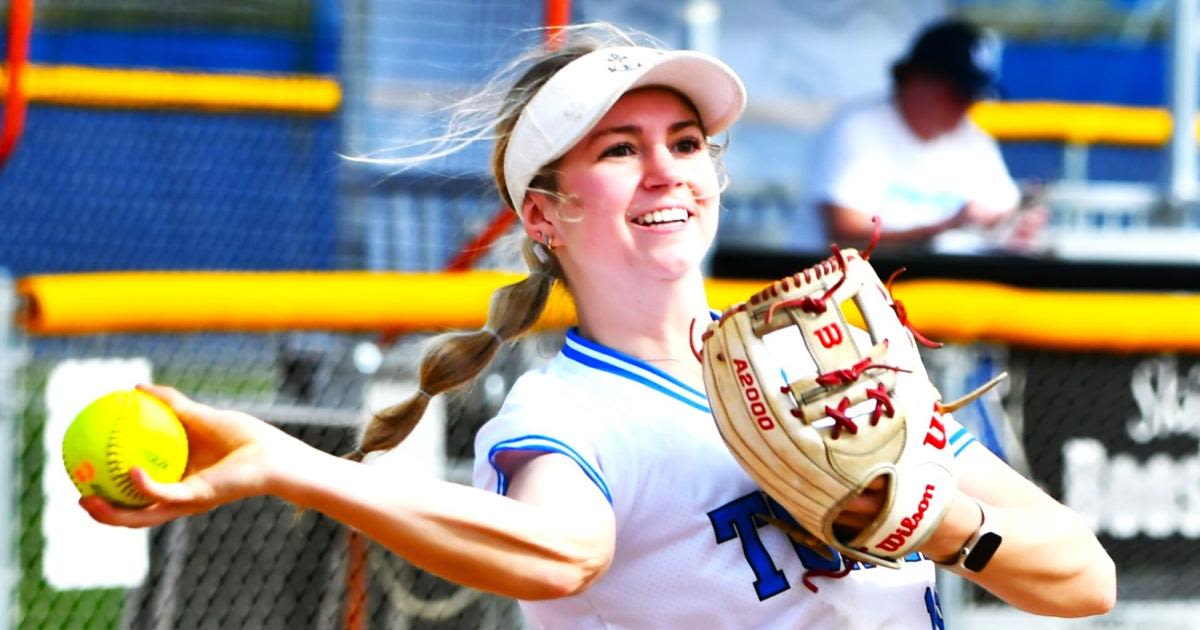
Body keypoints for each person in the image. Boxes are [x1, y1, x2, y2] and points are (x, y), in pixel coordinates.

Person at [82, 23, 1114, 629]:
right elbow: (555, 552)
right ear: (545, 214)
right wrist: (287, 467)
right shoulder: (573, 411)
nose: (666, 168)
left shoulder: (827, 359)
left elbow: (1087, 579)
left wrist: (942, 526)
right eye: (619, 149)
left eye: (686, 140)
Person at [805, 17, 1046, 255]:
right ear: (916, 78)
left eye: (972, 95)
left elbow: (1004, 216)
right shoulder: (856, 129)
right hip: (842, 291)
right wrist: (945, 227)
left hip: (942, 288)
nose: (966, 105)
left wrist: (1014, 229)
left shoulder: (973, 140)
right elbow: (845, 236)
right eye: (958, 92)